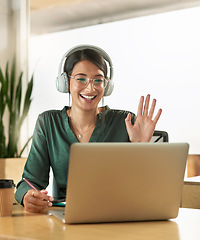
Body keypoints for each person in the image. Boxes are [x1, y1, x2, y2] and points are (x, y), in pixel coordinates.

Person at [15, 45, 162, 213]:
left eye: (98, 80)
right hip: (68, 215)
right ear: (65, 82)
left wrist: (142, 146)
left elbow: (145, 188)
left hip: (118, 213)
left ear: (106, 85)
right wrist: (27, 195)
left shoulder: (124, 121)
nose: (90, 88)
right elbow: (30, 181)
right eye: (81, 78)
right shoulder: (48, 122)